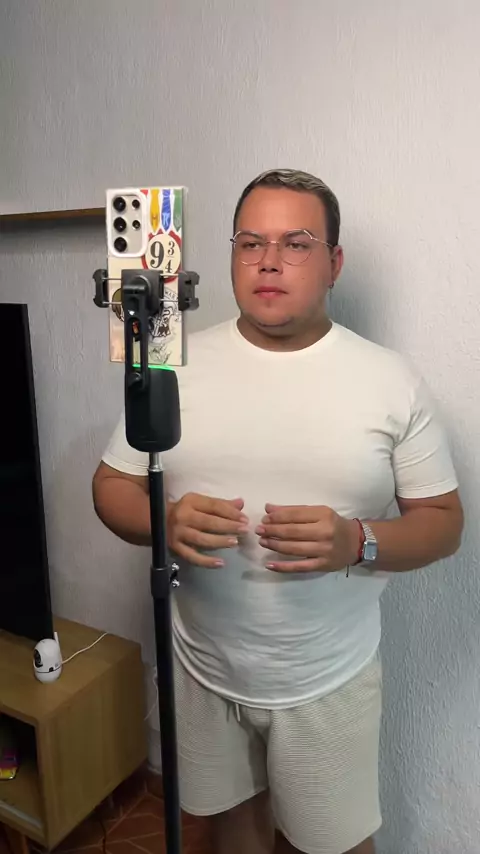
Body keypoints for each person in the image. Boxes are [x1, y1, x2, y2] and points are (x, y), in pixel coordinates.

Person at [92, 169, 464, 854]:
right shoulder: (170, 364)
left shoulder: (390, 380)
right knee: (232, 827)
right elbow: (112, 485)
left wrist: (358, 540)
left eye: (295, 243)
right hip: (202, 666)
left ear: (334, 263)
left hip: (327, 680)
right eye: (250, 243)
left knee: (333, 844)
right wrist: (162, 523)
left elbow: (443, 521)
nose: (268, 261)